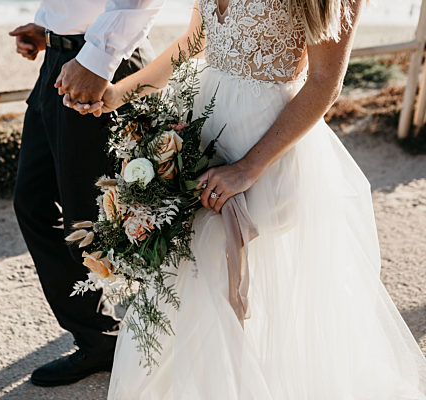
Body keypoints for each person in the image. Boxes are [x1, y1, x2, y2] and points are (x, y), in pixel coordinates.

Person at [67, 0, 426, 397]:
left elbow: (326, 81)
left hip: (266, 146)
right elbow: (195, 41)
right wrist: (120, 93)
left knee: (232, 281)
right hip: (203, 130)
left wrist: (248, 168)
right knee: (188, 282)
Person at [9, 0, 164, 388]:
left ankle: (163, 333)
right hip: (60, 61)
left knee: (100, 218)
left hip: (101, 64)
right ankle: (98, 337)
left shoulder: (99, 57)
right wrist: (48, 28)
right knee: (33, 202)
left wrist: (97, 57)